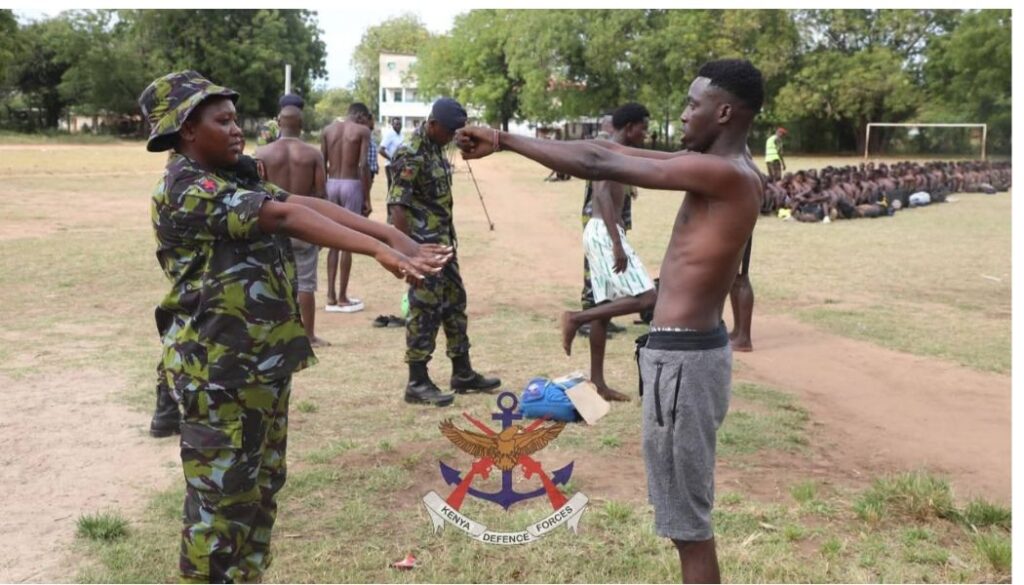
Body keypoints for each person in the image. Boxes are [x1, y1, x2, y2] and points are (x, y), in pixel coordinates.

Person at [458, 59, 765, 584]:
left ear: (725, 111)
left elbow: (601, 157)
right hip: (680, 359)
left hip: (685, 366)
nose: (686, 114)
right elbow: (618, 152)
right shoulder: (716, 168)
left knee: (690, 528)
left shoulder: (726, 174)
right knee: (682, 521)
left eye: (694, 105)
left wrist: (504, 139)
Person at [139, 70, 450, 583]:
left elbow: (304, 203)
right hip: (217, 371)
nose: (237, 129)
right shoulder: (185, 187)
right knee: (220, 504)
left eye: (236, 119)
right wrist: (378, 251)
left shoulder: (234, 173)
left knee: (261, 489)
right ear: (187, 130)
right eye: (223, 121)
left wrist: (393, 235)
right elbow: (282, 218)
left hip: (258, 364)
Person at [388, 98, 502, 407]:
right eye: (450, 130)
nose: (453, 136)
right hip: (422, 248)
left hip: (443, 244)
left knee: (455, 304)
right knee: (424, 310)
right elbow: (397, 205)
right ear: (433, 124)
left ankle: (462, 372)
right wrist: (408, 254)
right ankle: (417, 381)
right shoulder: (410, 153)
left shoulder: (437, 147)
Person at [562, 102, 655, 402]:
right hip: (604, 231)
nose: (646, 132)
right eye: (643, 126)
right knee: (647, 297)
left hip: (602, 230)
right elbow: (601, 192)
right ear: (630, 127)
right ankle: (576, 319)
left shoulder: (618, 152)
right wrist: (617, 243)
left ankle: (598, 383)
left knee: (603, 306)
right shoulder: (609, 152)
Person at [255, 102, 330, 347]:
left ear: (279, 123)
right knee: (305, 282)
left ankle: (272, 334)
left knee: (271, 280)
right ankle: (308, 335)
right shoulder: (312, 154)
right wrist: (321, 231)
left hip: (273, 225)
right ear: (302, 126)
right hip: (303, 225)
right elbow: (320, 195)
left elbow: (255, 192)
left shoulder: (262, 154)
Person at [321, 103, 373, 312]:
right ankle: (343, 296)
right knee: (348, 242)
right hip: (351, 184)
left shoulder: (327, 130)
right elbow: (363, 165)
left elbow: (321, 162)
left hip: (331, 183)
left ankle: (330, 295)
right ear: (359, 115)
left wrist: (322, 192)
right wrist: (367, 198)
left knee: (332, 240)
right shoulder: (362, 131)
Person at [379, 117, 405, 192]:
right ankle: (389, 203)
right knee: (391, 186)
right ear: (392, 125)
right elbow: (380, 150)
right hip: (390, 165)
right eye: (396, 124)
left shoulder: (401, 135)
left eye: (400, 124)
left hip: (400, 164)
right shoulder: (390, 135)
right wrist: (392, 159)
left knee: (398, 186)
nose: (398, 126)